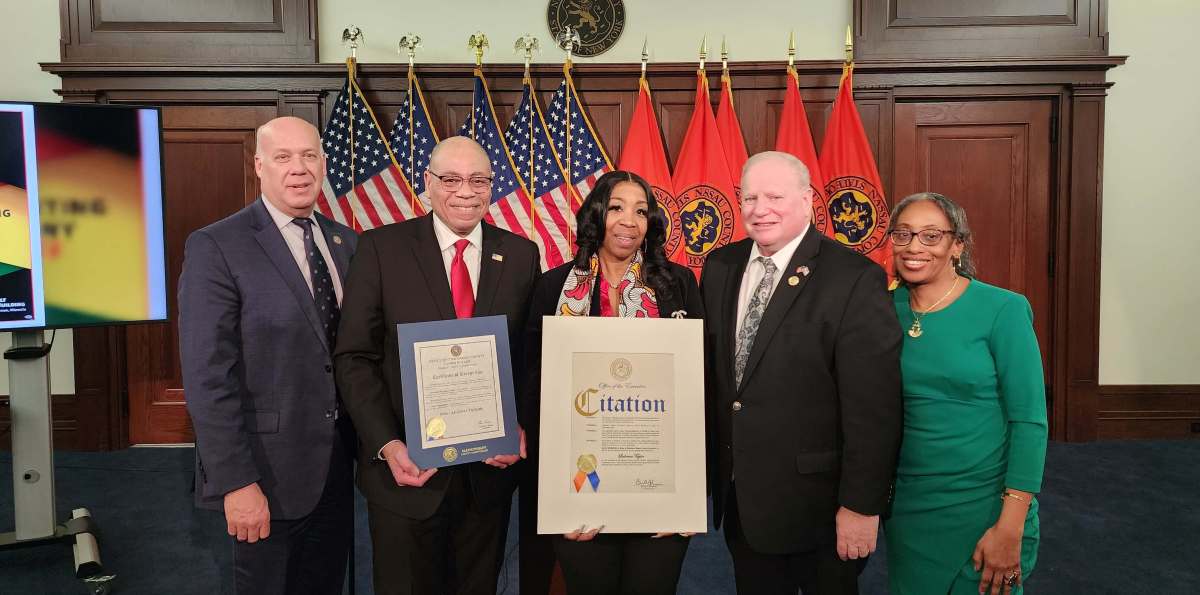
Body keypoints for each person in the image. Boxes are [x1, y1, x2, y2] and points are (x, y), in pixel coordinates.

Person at [334, 135, 540, 595]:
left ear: (492, 186)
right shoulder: (381, 250)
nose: (465, 191)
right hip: (406, 474)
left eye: (478, 180)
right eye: (450, 179)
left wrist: (518, 426)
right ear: (427, 184)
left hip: (488, 476)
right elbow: (354, 358)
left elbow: (528, 360)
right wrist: (386, 443)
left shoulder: (522, 255)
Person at [699, 151, 902, 595]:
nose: (760, 208)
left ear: (807, 199)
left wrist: (861, 507)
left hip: (820, 509)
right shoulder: (720, 266)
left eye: (775, 196)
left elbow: (875, 409)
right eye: (749, 197)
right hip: (743, 501)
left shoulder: (854, 278)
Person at [178, 116, 358, 595]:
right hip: (264, 475)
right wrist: (236, 483)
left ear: (323, 163)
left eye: (309, 156)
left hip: (336, 468)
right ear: (259, 165)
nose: (298, 169)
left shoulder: (345, 243)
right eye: (283, 157)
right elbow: (207, 377)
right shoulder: (217, 246)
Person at [521, 170, 703, 595]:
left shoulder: (678, 285)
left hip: (661, 490)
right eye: (617, 208)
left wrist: (691, 497)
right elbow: (534, 385)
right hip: (581, 488)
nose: (629, 221)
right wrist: (554, 497)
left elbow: (698, 391)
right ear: (596, 214)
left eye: (641, 211)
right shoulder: (553, 287)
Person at [882, 192, 1046, 595]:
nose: (915, 246)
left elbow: (1029, 421)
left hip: (988, 507)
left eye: (931, 235)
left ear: (957, 244)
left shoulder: (1003, 309)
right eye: (903, 234)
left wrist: (1011, 525)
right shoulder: (880, 308)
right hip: (910, 509)